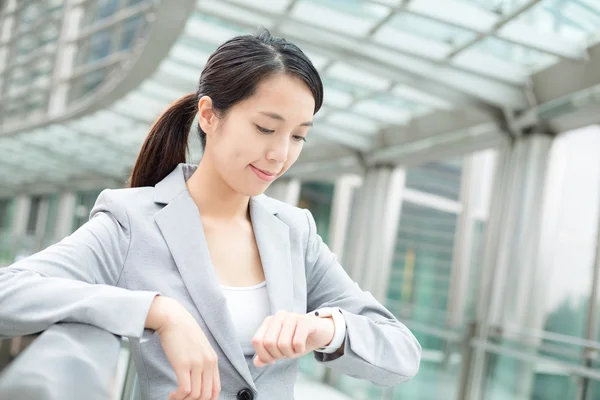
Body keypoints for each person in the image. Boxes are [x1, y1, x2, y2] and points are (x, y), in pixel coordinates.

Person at [0, 29, 421, 400]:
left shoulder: (294, 232)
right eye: (265, 128)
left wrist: (324, 328)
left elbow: (401, 353)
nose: (279, 155)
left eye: (298, 136)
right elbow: (9, 292)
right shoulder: (132, 221)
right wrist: (158, 312)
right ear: (208, 114)